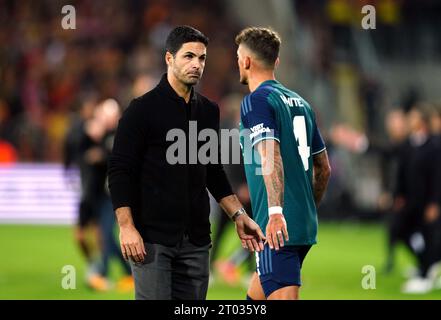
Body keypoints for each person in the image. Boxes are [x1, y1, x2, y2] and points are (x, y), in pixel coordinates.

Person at [108, 25, 265, 300]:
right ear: (169, 59)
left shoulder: (208, 111)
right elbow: (120, 171)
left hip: (196, 241)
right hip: (152, 240)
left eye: (202, 58)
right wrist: (126, 227)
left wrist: (239, 215)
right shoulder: (141, 110)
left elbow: (213, 172)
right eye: (188, 56)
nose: (196, 64)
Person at [235, 27, 331, 300]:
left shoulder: (256, 102)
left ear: (246, 61)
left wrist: (277, 212)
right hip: (301, 225)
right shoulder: (301, 102)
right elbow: (323, 167)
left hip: (276, 227)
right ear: (276, 62)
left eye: (238, 57)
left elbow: (270, 155)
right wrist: (305, 208)